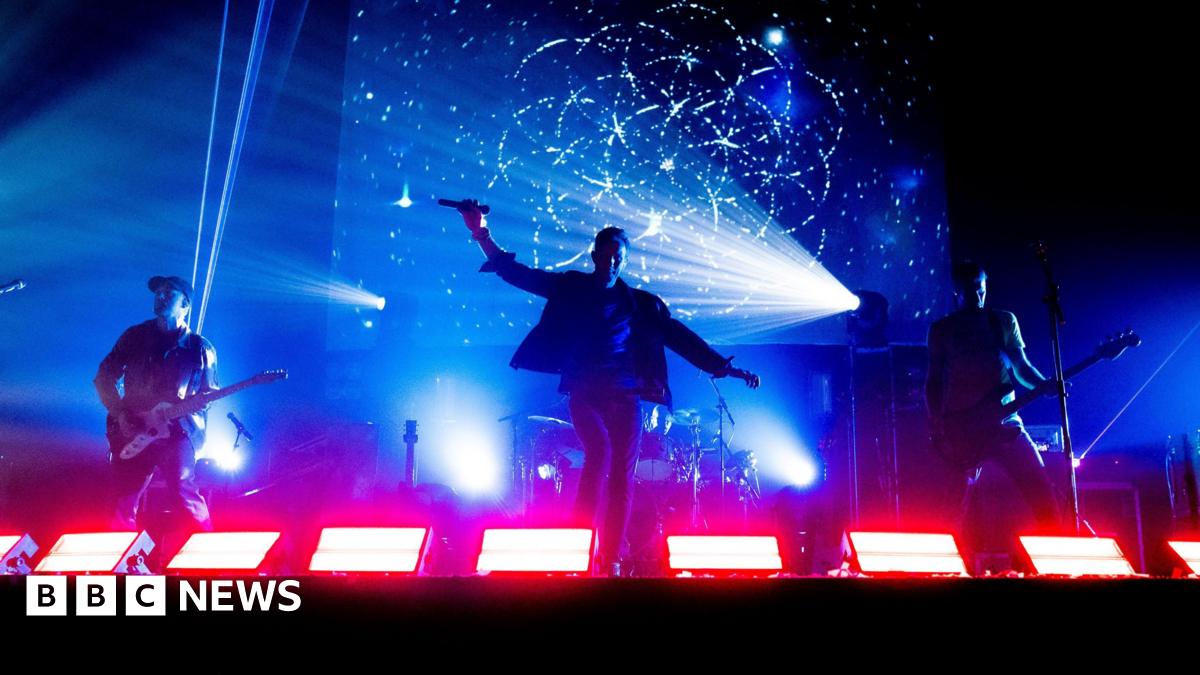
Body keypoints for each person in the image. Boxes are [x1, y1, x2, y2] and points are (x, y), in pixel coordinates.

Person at [454, 200, 760, 576]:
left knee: (621, 475)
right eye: (607, 256)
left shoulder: (642, 305)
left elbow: (679, 337)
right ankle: (581, 547)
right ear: (595, 255)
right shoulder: (571, 287)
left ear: (624, 262)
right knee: (599, 454)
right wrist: (479, 232)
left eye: (619, 259)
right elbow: (518, 273)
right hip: (586, 393)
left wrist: (724, 368)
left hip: (627, 398)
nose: (612, 263)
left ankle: (611, 557)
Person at [925, 262, 1061, 566]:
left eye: (981, 288)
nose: (977, 294)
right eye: (971, 289)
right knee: (953, 508)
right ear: (957, 291)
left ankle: (1057, 564)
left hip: (1005, 424)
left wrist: (1042, 385)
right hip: (963, 427)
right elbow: (933, 381)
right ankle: (945, 569)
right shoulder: (943, 330)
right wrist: (937, 423)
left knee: (1041, 492)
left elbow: (1020, 366)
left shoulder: (1003, 321)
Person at [94, 275, 218, 531]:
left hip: (177, 431)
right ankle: (122, 565)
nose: (160, 296)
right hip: (132, 428)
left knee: (183, 490)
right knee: (123, 501)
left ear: (185, 305)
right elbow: (104, 377)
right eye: (158, 292)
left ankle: (207, 556)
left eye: (168, 293)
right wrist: (120, 413)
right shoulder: (134, 336)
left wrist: (201, 403)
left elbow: (209, 394)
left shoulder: (201, 348)